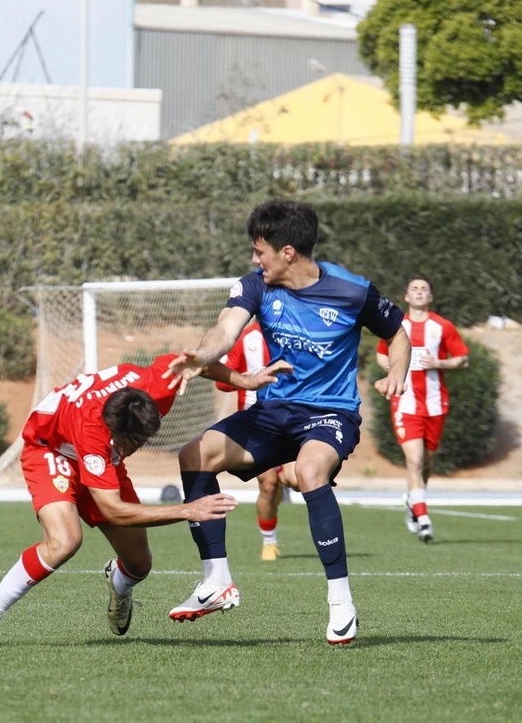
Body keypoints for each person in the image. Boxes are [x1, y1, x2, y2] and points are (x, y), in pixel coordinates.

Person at [164, 199, 410, 646]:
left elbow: (397, 332)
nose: (254, 260)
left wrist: (397, 372)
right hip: (275, 412)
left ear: (289, 252)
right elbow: (225, 330)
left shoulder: (353, 291)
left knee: (311, 470)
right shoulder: (256, 287)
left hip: (331, 412)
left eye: (261, 252)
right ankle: (216, 581)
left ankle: (341, 601)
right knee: (195, 454)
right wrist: (201, 356)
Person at [0, 353, 289, 648]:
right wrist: (189, 509)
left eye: (140, 442)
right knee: (64, 540)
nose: (132, 450)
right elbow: (113, 510)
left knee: (139, 565)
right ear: (110, 430)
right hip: (51, 447)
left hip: (97, 453)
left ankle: (119, 588)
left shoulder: (160, 382)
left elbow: (196, 361)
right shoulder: (92, 430)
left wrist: (244, 379)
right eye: (126, 444)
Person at [375, 274, 469, 543]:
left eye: (423, 289)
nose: (418, 292)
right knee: (414, 461)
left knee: (426, 464)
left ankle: (413, 505)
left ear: (430, 297)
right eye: (413, 288)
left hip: (435, 404)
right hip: (405, 403)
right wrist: (394, 369)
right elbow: (382, 353)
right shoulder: (396, 324)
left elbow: (462, 359)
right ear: (406, 296)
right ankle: (424, 519)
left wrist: (438, 364)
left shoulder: (442, 326)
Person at [213, 319, 292, 561]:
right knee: (268, 485)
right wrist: (243, 378)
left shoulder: (295, 331)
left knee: (296, 480)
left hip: (294, 417)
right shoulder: (246, 338)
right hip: (257, 422)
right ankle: (270, 541)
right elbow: (221, 381)